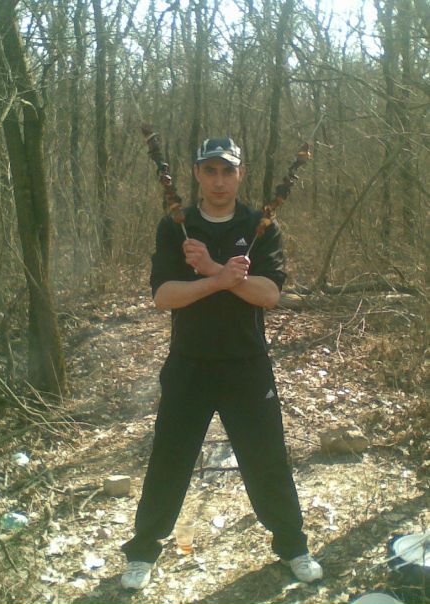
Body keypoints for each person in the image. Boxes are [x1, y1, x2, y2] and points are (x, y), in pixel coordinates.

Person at [120, 137, 323, 590]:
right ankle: (142, 551)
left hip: (246, 365)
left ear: (240, 175)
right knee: (169, 460)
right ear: (196, 174)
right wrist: (220, 280)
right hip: (189, 364)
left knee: (267, 459)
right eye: (210, 170)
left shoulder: (260, 226)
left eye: (227, 171)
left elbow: (268, 295)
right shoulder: (177, 226)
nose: (218, 180)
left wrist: (213, 269)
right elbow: (163, 296)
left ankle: (293, 546)